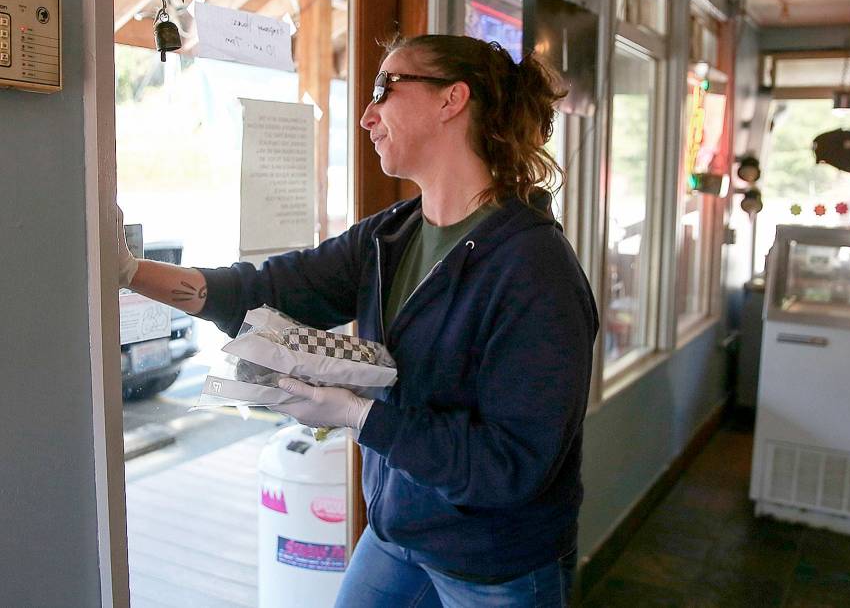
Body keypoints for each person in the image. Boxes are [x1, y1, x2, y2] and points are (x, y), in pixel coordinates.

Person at [117, 34, 598, 607]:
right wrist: (125, 271)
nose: (367, 116)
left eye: (385, 88)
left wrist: (358, 416)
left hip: (492, 561)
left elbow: (510, 465)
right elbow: (264, 289)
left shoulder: (534, 271)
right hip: (397, 532)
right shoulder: (391, 236)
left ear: (452, 100)